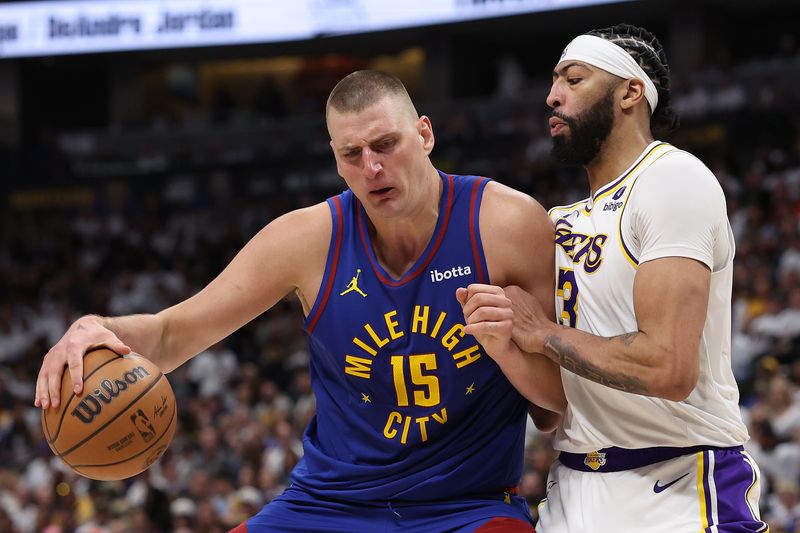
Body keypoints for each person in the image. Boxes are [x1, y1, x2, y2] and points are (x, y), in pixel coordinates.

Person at [35, 70, 565, 532]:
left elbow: (552, 408)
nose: (372, 168)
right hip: (327, 505)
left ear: (425, 133)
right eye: (352, 154)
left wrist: (509, 350)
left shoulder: (506, 224)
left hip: (467, 508)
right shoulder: (307, 239)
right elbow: (175, 334)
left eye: (386, 145)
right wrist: (93, 327)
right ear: (335, 161)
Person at [459, 24, 767, 533]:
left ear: (631, 91)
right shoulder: (555, 221)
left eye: (573, 79)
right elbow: (552, 409)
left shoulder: (671, 179)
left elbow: (669, 368)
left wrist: (543, 333)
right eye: (554, 81)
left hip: (676, 484)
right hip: (572, 487)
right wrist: (505, 344)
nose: (551, 96)